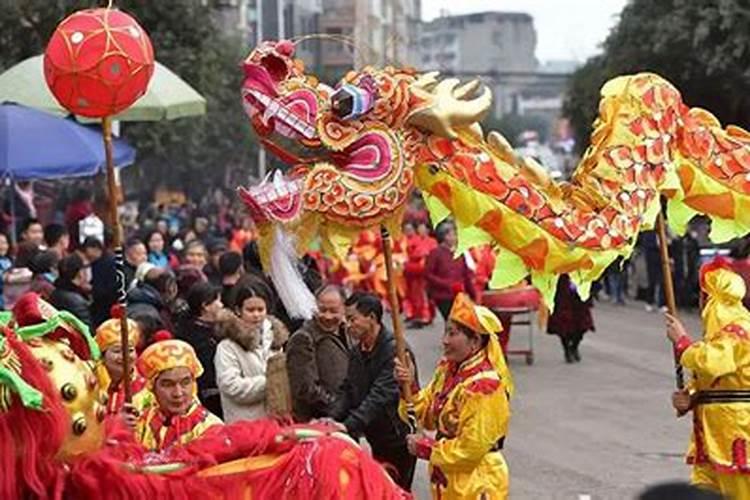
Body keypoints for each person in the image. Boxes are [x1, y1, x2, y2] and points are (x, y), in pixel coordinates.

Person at [394, 292, 513, 499]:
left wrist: (426, 448)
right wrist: (409, 385)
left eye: (453, 334)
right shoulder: (447, 370)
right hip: (448, 478)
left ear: (475, 341)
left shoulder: (484, 387)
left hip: (477, 480)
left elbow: (471, 449)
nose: (445, 341)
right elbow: (426, 417)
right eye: (446, 333)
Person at [666, 260, 750, 499]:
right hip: (712, 431)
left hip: (737, 429)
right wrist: (690, 397)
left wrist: (682, 342)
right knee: (702, 490)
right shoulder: (718, 335)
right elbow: (710, 381)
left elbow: (715, 363)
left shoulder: (740, 329)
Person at [330, 292, 416, 490]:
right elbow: (348, 390)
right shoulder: (356, 352)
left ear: (372, 318)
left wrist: (349, 425)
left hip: (398, 436)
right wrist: (332, 418)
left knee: (397, 491)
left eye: (352, 319)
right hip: (375, 436)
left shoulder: (396, 351)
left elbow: (380, 395)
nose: (347, 325)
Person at [131, 338, 223, 452]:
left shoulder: (211, 428)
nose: (178, 393)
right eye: (168, 385)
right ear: (152, 387)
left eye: (185, 382)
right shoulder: (141, 423)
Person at [214, 287, 288, 422]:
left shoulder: (274, 340)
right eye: (250, 310)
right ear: (238, 310)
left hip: (274, 422)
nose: (256, 315)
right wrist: (270, 382)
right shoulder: (227, 347)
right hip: (243, 424)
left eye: (261, 310)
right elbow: (231, 386)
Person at [286, 285, 350, 422]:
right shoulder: (303, 338)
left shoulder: (348, 332)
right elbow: (305, 388)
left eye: (333, 311)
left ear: (344, 309)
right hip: (318, 421)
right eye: (322, 310)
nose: (327, 316)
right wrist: (336, 407)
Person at [177, 281, 224, 418]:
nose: (221, 305)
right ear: (205, 306)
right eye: (217, 300)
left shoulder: (219, 329)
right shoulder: (195, 337)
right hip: (208, 397)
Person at [94, 317, 152, 415]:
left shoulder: (146, 389)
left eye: (130, 350)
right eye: (117, 351)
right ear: (103, 356)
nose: (125, 356)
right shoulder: (91, 382)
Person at [425, 221, 476, 319]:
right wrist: (446, 284)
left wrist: (472, 293)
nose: (455, 238)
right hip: (443, 295)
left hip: (460, 294)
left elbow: (466, 275)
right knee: (451, 320)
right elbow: (428, 274)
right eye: (452, 235)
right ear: (444, 236)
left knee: (460, 322)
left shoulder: (459, 253)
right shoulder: (435, 253)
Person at [546, 274, 595, 363]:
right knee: (563, 325)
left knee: (582, 325)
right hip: (563, 295)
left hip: (580, 294)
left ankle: (574, 347)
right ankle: (567, 350)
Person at [403, 222, 437, 328]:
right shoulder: (416, 240)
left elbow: (431, 255)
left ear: (427, 230)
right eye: (419, 229)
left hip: (426, 270)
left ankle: (426, 316)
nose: (421, 231)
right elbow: (412, 254)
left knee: (425, 295)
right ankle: (418, 316)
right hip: (414, 270)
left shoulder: (432, 241)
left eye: (423, 229)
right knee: (415, 295)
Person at [50, 253, 91, 328]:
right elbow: (87, 329)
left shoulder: (55, 292)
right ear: (79, 273)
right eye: (84, 268)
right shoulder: (77, 301)